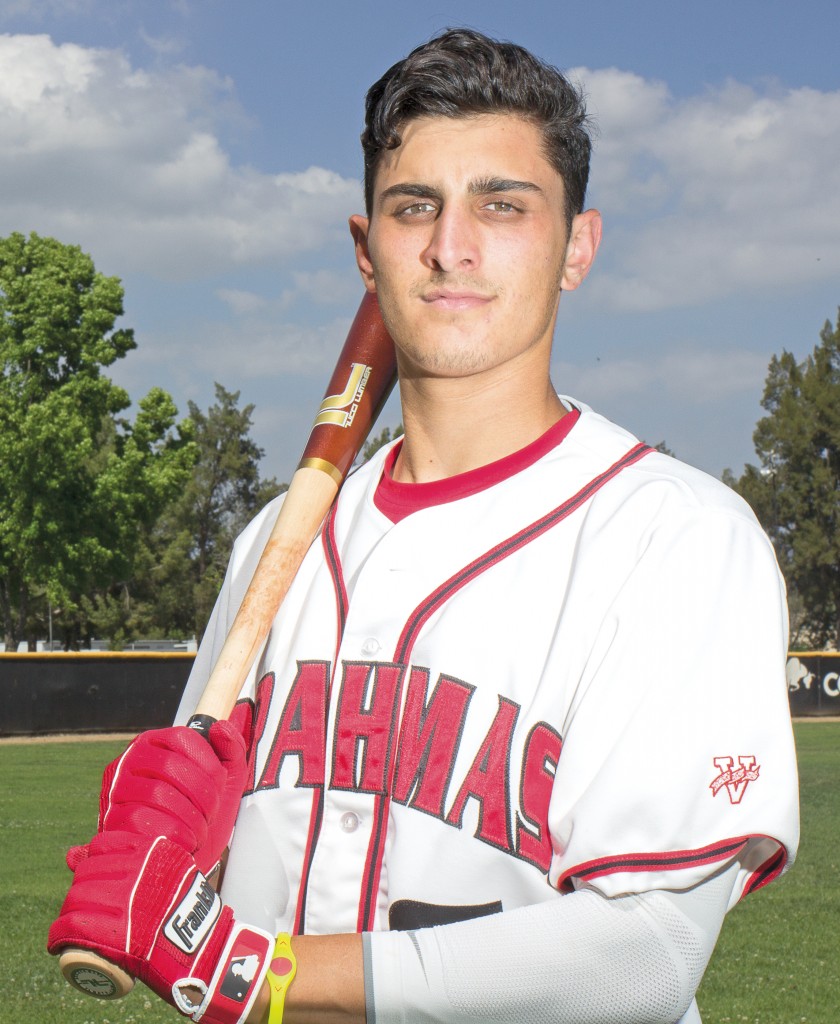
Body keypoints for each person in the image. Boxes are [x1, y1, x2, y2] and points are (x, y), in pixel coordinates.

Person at [49, 28, 799, 1024]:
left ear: (578, 246)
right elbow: (194, 891)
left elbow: (646, 954)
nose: (453, 246)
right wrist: (160, 841)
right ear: (368, 250)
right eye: (415, 208)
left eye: (503, 203)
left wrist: (254, 974)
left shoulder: (677, 538)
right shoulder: (277, 543)